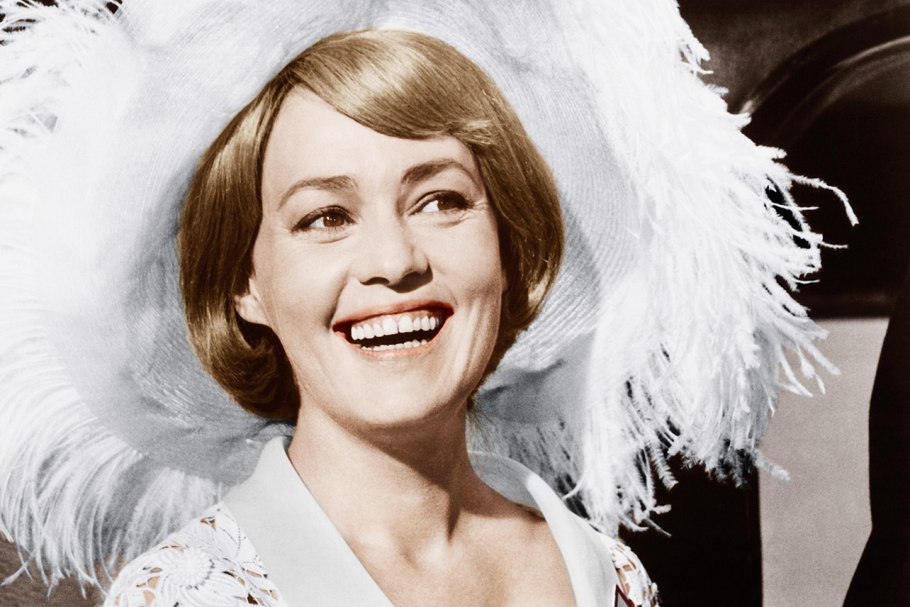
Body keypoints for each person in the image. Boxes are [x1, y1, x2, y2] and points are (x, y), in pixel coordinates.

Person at [0, 1, 842, 606]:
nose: (396, 261)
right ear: (245, 284)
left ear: (508, 249)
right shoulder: (193, 595)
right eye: (326, 217)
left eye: (440, 200)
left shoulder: (605, 574)